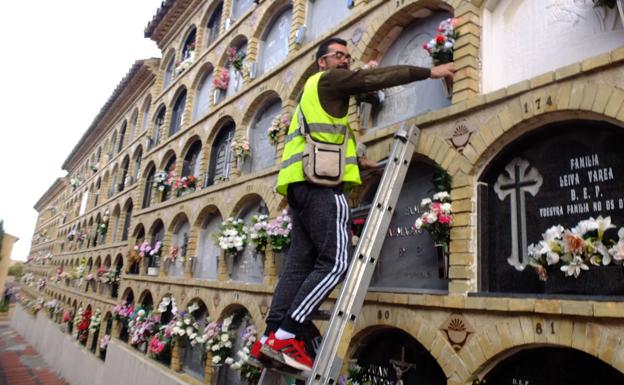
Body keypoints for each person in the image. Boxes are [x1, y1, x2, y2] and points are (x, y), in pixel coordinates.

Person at [252, 37, 455, 371]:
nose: (344, 60)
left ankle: (271, 334)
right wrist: (432, 71)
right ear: (322, 62)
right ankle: (287, 336)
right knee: (336, 262)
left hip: (297, 188)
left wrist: (361, 165)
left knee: (298, 266)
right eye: (338, 55)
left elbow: (324, 139)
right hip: (320, 188)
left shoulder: (315, 96)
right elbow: (372, 79)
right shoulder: (331, 80)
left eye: (348, 56)